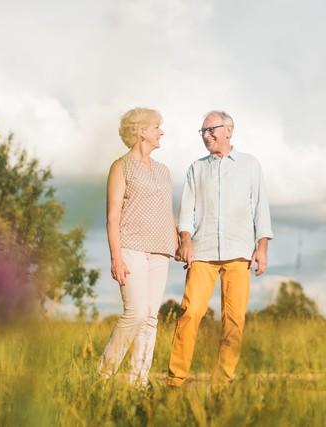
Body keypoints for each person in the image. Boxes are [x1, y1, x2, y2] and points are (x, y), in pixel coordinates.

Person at [167, 110, 273, 386]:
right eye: (202, 131)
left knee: (234, 318)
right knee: (190, 313)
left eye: (211, 129)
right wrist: (185, 240)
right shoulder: (196, 168)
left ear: (229, 130)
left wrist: (262, 248)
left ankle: (222, 379)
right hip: (201, 252)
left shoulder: (250, 165)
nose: (206, 135)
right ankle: (175, 379)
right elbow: (186, 209)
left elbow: (261, 208)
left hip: (239, 252)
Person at [98, 108, 177, 387]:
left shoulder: (164, 171)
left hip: (160, 250)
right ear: (141, 131)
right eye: (157, 127)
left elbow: (167, 211)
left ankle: (138, 384)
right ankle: (104, 375)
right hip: (131, 246)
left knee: (151, 318)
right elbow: (113, 215)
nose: (161, 132)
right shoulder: (121, 166)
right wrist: (115, 257)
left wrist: (176, 239)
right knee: (136, 312)